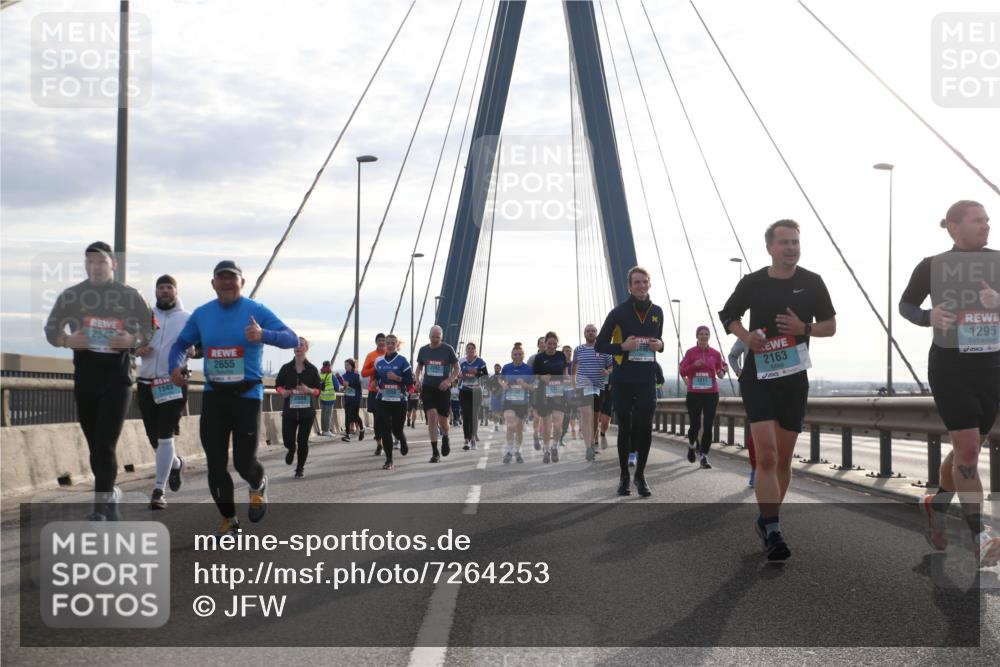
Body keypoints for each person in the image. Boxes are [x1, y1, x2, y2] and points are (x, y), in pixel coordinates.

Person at [719, 220, 836, 561]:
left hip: (793, 378)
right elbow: (728, 315)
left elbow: (831, 326)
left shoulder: (812, 283)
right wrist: (746, 336)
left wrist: (805, 327)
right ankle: (772, 529)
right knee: (767, 455)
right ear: (769, 247)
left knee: (784, 460)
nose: (791, 247)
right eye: (784, 242)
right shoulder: (753, 282)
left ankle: (768, 518)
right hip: (758, 378)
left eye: (795, 242)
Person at [900, 200, 1000, 566]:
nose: (986, 226)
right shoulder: (933, 266)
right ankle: (981, 537)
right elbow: (907, 304)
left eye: (988, 220)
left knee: (966, 448)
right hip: (950, 366)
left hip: (991, 367)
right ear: (954, 226)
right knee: (970, 449)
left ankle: (936, 503)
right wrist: (929, 316)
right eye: (978, 221)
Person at [169, 260, 298, 534]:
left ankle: (257, 483)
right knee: (215, 465)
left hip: (247, 397)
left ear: (242, 282)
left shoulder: (256, 310)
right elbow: (181, 344)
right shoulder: (203, 314)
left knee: (243, 462)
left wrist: (264, 334)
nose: (227, 282)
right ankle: (229, 519)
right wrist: (174, 366)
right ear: (213, 283)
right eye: (221, 278)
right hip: (215, 397)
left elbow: (292, 339)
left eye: (232, 278)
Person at [45, 241, 155, 520]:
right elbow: (51, 330)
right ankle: (111, 494)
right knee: (95, 445)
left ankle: (100, 509)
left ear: (113, 265)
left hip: (117, 380)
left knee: (105, 443)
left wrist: (132, 340)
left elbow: (151, 328)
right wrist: (67, 339)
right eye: (90, 262)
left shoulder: (129, 296)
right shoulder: (72, 296)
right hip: (86, 379)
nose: (95, 267)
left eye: (101, 262)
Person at [596, 267, 665, 497]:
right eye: (637, 282)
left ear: (649, 284)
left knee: (644, 428)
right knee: (625, 428)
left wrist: (660, 345)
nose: (641, 286)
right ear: (629, 286)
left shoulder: (658, 312)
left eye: (645, 282)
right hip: (623, 378)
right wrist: (622, 347)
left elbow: (660, 340)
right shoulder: (618, 313)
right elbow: (600, 345)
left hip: (646, 379)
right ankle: (624, 476)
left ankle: (641, 476)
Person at [136, 274, 189, 510]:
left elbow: (199, 347)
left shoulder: (187, 319)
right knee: (153, 438)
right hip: (146, 382)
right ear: (156, 292)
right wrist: (136, 348)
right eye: (161, 288)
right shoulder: (145, 317)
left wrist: (191, 352)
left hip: (173, 383)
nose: (165, 291)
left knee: (165, 434)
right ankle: (175, 464)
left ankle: (159, 490)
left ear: (176, 292)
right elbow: (129, 342)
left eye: (169, 287)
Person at [679, 326, 729, 469]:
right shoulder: (690, 353)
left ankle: (704, 456)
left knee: (708, 425)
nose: (703, 336)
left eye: (706, 334)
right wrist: (694, 365)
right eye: (701, 334)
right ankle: (691, 445)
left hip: (711, 393)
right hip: (694, 393)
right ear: (697, 336)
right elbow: (682, 371)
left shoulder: (715, 353)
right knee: (695, 425)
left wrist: (723, 371)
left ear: (709, 336)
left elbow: (720, 372)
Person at [275, 337, 321, 479]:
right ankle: (290, 449)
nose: (298, 347)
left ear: (306, 348)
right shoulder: (286, 368)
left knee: (303, 441)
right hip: (290, 411)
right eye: (295, 345)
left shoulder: (312, 370)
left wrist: (309, 390)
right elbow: (278, 385)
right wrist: (283, 392)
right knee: (288, 439)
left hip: (307, 412)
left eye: (301, 345)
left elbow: (318, 390)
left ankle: (299, 468)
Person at [415, 325, 460, 462]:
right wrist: (417, 380)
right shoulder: (423, 350)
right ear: (429, 336)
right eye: (433, 337)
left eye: (438, 337)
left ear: (442, 337)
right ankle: (435, 452)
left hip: (443, 389)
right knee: (432, 416)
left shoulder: (448, 349)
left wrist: (449, 381)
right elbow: (419, 368)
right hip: (428, 388)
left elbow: (457, 368)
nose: (435, 339)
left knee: (444, 422)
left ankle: (445, 437)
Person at [573, 324, 614, 463]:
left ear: (596, 333)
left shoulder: (604, 349)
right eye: (588, 331)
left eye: (593, 331)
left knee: (595, 418)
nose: (590, 333)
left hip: (598, 387)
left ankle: (594, 441)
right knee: (586, 415)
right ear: (584, 334)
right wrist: (573, 383)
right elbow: (574, 366)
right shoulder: (578, 350)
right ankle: (588, 447)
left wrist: (608, 371)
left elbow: (612, 366)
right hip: (583, 386)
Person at [373, 334, 414, 470]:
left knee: (397, 429)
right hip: (383, 399)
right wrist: (377, 382)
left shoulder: (402, 361)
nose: (390, 345)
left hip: (399, 400)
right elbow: (375, 377)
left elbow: (410, 381)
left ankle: (402, 440)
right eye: (388, 343)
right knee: (385, 429)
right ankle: (389, 460)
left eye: (392, 343)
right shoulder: (379, 362)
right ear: (384, 344)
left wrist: (397, 378)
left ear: (397, 345)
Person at [532, 332, 569, 463]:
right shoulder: (539, 358)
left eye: (554, 344)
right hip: (544, 394)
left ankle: (554, 447)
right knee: (547, 426)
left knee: (558, 424)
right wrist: (542, 377)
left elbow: (565, 370)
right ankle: (546, 449)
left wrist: (566, 377)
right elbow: (534, 376)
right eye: (549, 344)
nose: (552, 346)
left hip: (559, 393)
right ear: (545, 343)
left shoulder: (561, 355)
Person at [728, 338, 757, 487]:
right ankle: (756, 470)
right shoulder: (746, 334)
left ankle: (773, 469)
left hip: (780, 387)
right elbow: (732, 356)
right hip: (753, 387)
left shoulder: (783, 326)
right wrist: (739, 371)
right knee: (757, 432)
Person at [500, 346, 534, 463]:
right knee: (510, 425)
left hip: (522, 402)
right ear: (512, 355)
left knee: (519, 429)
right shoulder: (506, 368)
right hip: (509, 401)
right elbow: (500, 380)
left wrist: (525, 385)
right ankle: (509, 451)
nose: (517, 356)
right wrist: (503, 384)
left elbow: (533, 387)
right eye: (515, 354)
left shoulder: (528, 369)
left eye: (520, 354)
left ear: (523, 355)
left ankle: (518, 451)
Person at [361, 333, 387, 455]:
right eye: (379, 340)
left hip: (389, 391)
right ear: (376, 342)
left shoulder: (390, 354)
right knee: (377, 419)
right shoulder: (371, 356)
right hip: (374, 392)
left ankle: (389, 441)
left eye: (383, 340)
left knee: (387, 419)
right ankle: (379, 445)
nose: (381, 342)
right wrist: (375, 368)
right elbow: (363, 373)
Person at [459, 342, 488, 450]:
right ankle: (466, 439)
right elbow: (456, 373)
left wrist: (476, 373)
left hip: (476, 391)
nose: (470, 350)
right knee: (466, 415)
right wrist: (460, 376)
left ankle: (473, 439)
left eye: (472, 349)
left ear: (475, 351)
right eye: (468, 349)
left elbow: (485, 376)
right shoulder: (461, 361)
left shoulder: (480, 362)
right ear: (466, 350)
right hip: (464, 391)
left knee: (474, 415)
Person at [340, 359, 364, 442]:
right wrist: (343, 388)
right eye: (345, 365)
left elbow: (357, 387)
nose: (345, 366)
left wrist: (349, 384)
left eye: (347, 365)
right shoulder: (344, 376)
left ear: (352, 366)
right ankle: (347, 435)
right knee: (347, 416)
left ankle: (362, 429)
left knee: (355, 416)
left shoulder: (356, 376)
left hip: (355, 399)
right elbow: (346, 387)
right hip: (347, 398)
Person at [318, 360, 340, 437]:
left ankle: (323, 430)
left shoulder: (321, 375)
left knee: (323, 414)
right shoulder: (332, 376)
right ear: (329, 366)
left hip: (322, 397)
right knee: (328, 415)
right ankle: (326, 431)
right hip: (330, 398)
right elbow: (337, 388)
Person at [488, 363, 504, 431]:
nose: (496, 369)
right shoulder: (491, 377)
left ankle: (500, 418)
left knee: (501, 410)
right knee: (494, 410)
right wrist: (491, 389)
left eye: (498, 368)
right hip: (494, 395)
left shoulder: (503, 377)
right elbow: (488, 386)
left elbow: (506, 384)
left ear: (500, 369)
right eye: (495, 368)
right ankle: (496, 425)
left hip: (502, 395)